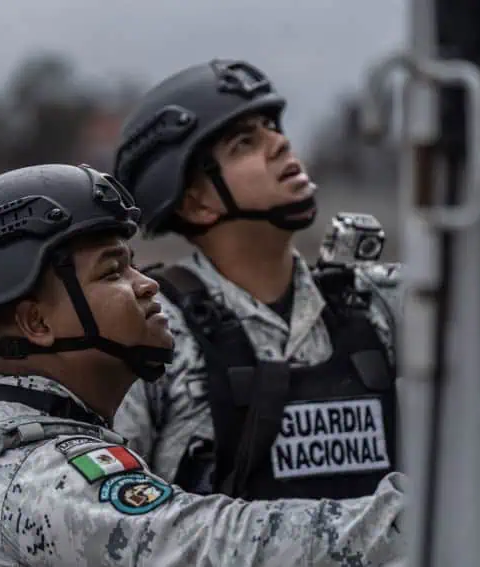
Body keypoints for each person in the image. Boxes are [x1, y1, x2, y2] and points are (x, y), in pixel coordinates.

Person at [0, 163, 407, 567]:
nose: (147, 283)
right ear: (35, 323)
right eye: (113, 272)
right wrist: (430, 513)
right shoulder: (48, 479)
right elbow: (219, 547)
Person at [111, 59, 403, 500]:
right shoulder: (152, 337)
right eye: (244, 143)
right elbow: (110, 522)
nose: (279, 143)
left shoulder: (383, 304)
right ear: (195, 203)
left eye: (271, 125)